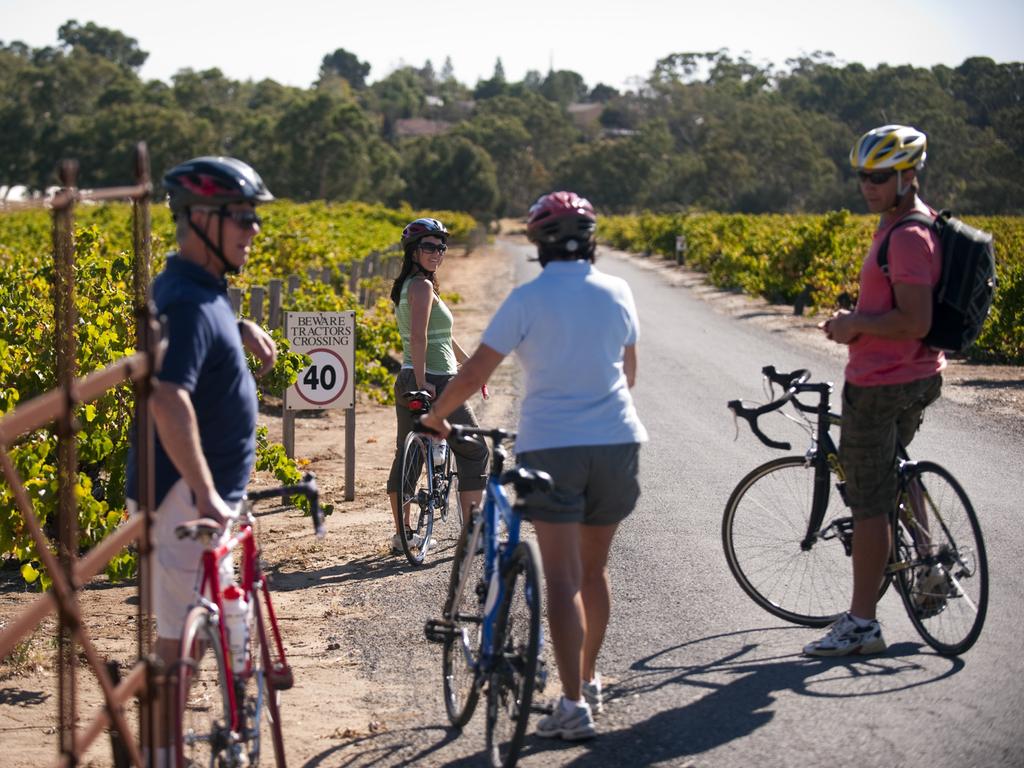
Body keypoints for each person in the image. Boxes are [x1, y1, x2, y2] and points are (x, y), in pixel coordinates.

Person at [419, 191, 647, 740]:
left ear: (538, 243)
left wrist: (436, 416)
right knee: (594, 572)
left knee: (563, 579)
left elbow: (473, 375)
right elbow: (630, 375)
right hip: (618, 443)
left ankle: (572, 706)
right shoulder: (619, 291)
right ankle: (587, 680)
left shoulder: (527, 299)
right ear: (590, 240)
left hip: (554, 447)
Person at [125, 156, 278, 766]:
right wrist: (207, 493)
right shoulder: (188, 299)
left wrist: (237, 325)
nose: (253, 228)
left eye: (253, 215)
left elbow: (196, 339)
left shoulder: (205, 292)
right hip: (186, 496)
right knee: (174, 644)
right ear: (199, 221)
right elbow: (167, 394)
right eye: (242, 216)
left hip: (206, 490)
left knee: (205, 620)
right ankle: (164, 756)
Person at [807, 125, 944, 656]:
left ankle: (862, 624)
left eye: (880, 176)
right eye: (863, 175)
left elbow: (913, 319)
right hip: (917, 378)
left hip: (881, 382)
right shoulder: (907, 222)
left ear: (908, 175)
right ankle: (928, 561)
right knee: (894, 468)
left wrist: (852, 325)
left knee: (868, 504)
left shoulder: (906, 235)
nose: (868, 185)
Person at [385, 218, 487, 551]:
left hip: (410, 377)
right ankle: (473, 533)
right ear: (413, 251)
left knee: (408, 456)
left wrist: (470, 365)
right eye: (428, 246)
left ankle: (403, 535)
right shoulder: (422, 286)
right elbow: (419, 336)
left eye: (441, 247)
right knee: (473, 449)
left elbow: (442, 336)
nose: (436, 253)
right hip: (436, 380)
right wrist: (424, 382)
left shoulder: (413, 285)